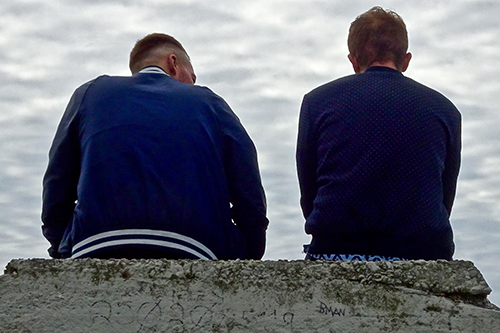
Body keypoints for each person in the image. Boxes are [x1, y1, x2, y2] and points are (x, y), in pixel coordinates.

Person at [42, 33, 269, 260]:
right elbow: (247, 186)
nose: (193, 83)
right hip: (192, 247)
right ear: (173, 63)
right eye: (192, 76)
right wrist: (248, 253)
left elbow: (57, 181)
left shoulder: (89, 94)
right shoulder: (208, 102)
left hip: (94, 244)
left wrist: (63, 245)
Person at [297, 7, 461, 261]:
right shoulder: (445, 110)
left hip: (336, 249)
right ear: (406, 60)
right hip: (423, 253)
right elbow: (444, 197)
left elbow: (309, 192)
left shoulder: (317, 102)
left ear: (353, 61)